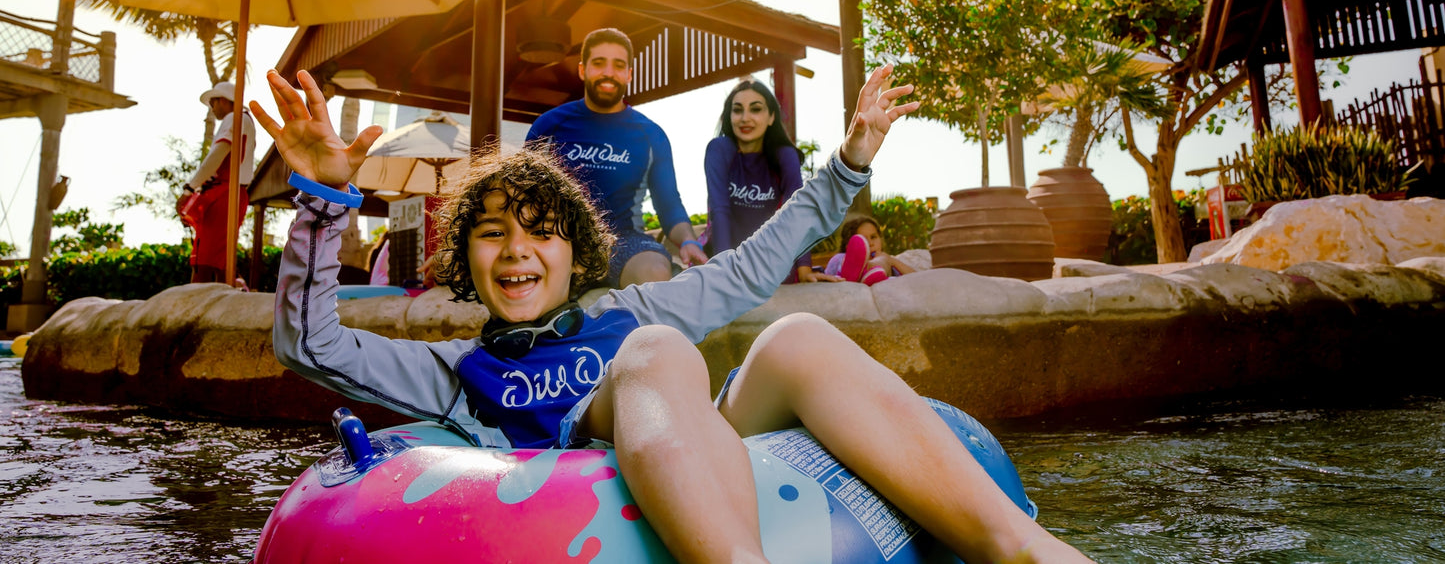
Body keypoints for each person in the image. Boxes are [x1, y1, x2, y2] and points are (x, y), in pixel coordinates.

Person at [254, 64, 1092, 564]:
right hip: (564, 496)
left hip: (702, 439)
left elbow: (759, 262)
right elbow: (308, 339)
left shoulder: (635, 303)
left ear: (575, 254)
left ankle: (1020, 549)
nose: (516, 250)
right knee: (654, 349)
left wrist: (848, 162)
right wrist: (326, 197)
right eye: (491, 234)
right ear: (464, 258)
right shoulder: (450, 373)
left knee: (790, 333)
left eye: (540, 234)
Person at [526, 28, 707, 287]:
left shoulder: (651, 135)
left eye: (618, 65)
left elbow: (669, 204)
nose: (608, 73)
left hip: (624, 241)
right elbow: (523, 198)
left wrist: (688, 241)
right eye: (599, 63)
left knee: (655, 270)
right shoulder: (549, 126)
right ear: (582, 70)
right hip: (559, 241)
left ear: (629, 74)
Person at [704, 78, 830, 283]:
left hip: (772, 263)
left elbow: (797, 211)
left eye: (755, 109)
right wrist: (724, 270)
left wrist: (805, 268)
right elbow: (719, 211)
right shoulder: (719, 150)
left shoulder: (785, 156)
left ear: (771, 117)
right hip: (726, 259)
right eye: (737, 110)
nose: (745, 118)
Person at [176, 80, 255, 284]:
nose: (212, 108)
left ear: (222, 100)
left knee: (207, 255)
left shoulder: (233, 118)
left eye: (213, 103)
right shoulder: (246, 120)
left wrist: (189, 188)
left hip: (224, 191)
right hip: (235, 192)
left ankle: (195, 301)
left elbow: (217, 156)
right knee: (221, 254)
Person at [824, 213, 919, 285]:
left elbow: (918, 279)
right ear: (849, 245)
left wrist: (892, 261)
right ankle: (856, 271)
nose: (870, 243)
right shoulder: (840, 258)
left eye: (873, 237)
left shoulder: (888, 261)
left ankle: (870, 271)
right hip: (843, 277)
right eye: (863, 240)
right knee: (840, 259)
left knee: (883, 260)